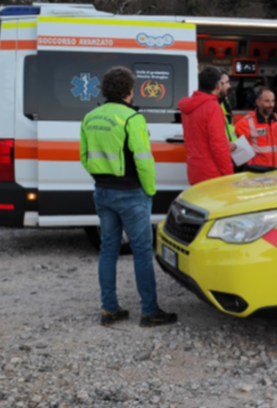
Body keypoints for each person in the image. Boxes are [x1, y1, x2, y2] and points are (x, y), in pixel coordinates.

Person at [79, 66, 177, 328]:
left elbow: (84, 157)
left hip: (103, 191)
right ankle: (149, 312)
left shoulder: (90, 116)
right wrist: (150, 190)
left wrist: (102, 177)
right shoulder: (133, 119)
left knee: (108, 249)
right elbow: (144, 161)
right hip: (132, 192)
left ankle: (110, 310)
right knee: (143, 251)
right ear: (129, 90)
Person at [178, 66, 237, 184]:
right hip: (212, 175)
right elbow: (218, 147)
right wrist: (229, 175)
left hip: (194, 171)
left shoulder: (188, 107)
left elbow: (199, 139)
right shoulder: (213, 108)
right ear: (217, 86)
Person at [235, 86, 277, 167]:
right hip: (258, 172)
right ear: (258, 102)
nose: (271, 105)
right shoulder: (247, 122)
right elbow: (234, 141)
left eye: (273, 101)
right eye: (267, 101)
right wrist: (248, 162)